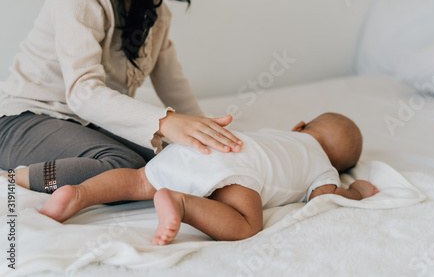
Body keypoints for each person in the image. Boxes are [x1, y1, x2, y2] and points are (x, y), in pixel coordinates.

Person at [0, 0, 243, 193]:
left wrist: (214, 138)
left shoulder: (156, 14)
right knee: (125, 165)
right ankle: (16, 179)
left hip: (82, 125)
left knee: (170, 159)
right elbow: (83, 93)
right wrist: (164, 122)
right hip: (23, 120)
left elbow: (175, 88)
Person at [40, 112, 379, 245]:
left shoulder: (279, 134)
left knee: (139, 178)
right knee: (247, 225)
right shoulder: (324, 166)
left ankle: (79, 194)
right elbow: (324, 198)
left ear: (300, 127)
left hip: (202, 147)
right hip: (241, 174)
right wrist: (357, 191)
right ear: (340, 163)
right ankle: (181, 203)